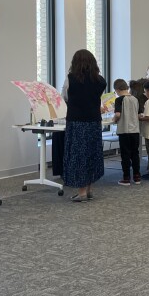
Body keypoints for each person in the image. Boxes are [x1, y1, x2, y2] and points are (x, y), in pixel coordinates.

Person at [62, 49, 106, 202]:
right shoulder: (101, 81)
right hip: (94, 121)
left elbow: (65, 97)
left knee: (78, 154)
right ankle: (88, 189)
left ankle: (81, 192)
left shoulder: (70, 79)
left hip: (76, 121)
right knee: (92, 154)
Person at [112, 79, 141, 186]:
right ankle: (137, 176)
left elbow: (118, 115)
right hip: (135, 130)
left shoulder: (119, 100)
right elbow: (138, 115)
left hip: (124, 130)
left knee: (125, 154)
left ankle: (126, 177)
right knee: (135, 153)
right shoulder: (135, 99)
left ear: (117, 90)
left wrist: (114, 119)